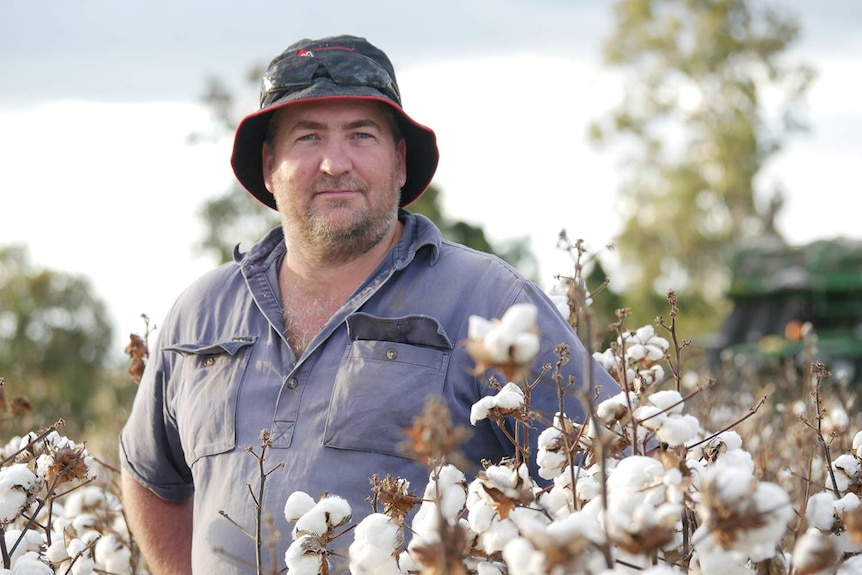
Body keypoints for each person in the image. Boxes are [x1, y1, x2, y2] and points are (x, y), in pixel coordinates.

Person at [120, 34, 621, 574]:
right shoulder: (201, 313)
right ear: (269, 165)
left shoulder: (485, 300)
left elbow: (611, 473)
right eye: (308, 138)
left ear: (400, 161)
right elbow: (151, 477)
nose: (335, 163)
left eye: (361, 135)